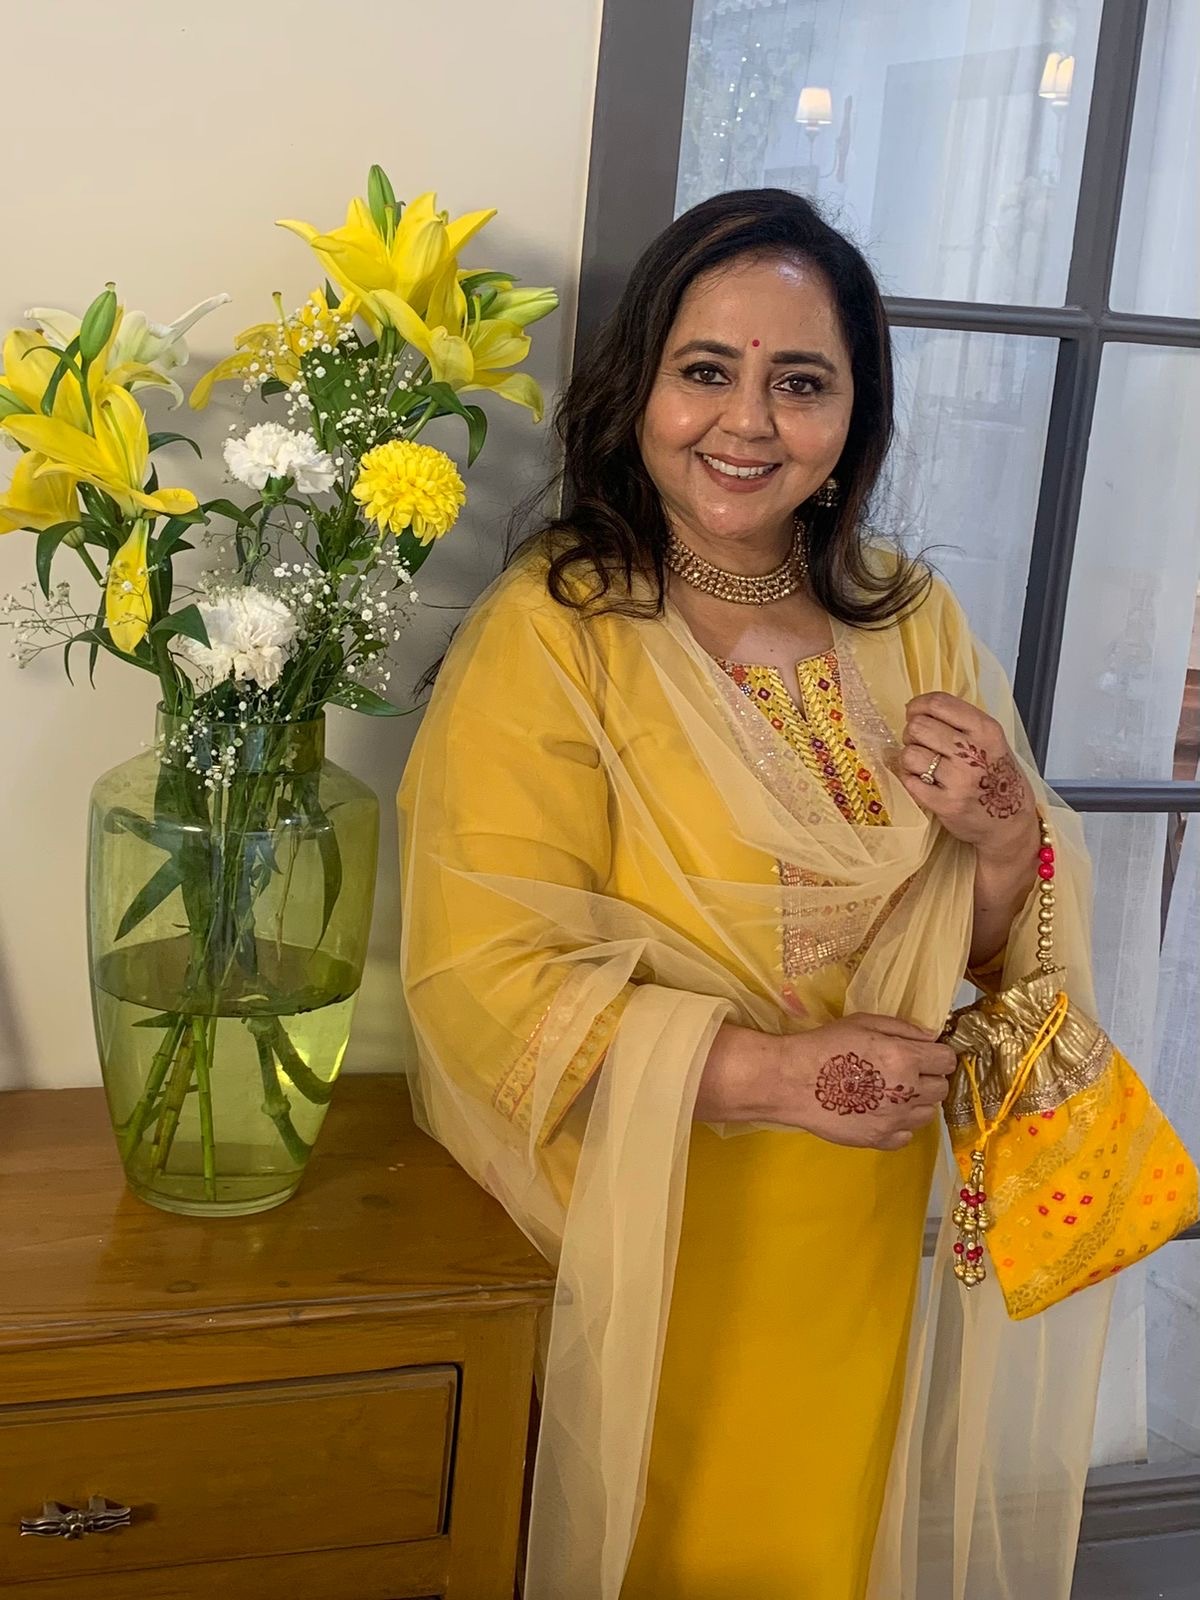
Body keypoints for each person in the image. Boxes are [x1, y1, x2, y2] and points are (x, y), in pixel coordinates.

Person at [397, 189, 1110, 1600]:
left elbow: (989, 964)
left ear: (854, 416)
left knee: (818, 1550)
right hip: (653, 1218)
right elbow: (484, 978)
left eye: (801, 382)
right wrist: (783, 1076)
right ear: (640, 391)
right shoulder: (561, 633)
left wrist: (999, 838)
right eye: (707, 370)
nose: (747, 422)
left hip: (853, 1225)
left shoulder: (912, 622)